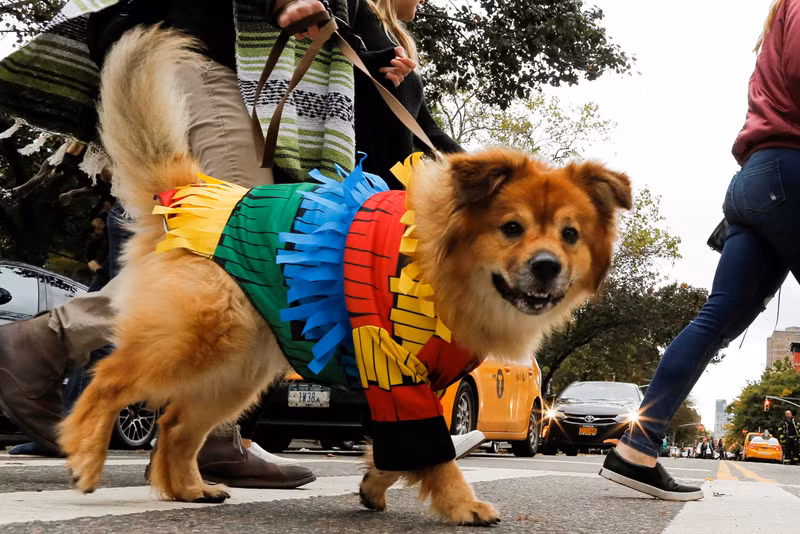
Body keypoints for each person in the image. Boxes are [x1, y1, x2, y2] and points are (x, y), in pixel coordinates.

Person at [0, 0, 469, 471]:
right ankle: (46, 341)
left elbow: (426, 135)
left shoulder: (362, 20)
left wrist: (504, 188)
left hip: (229, 73)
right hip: (206, 52)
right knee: (237, 247)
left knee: (246, 256)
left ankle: (206, 439)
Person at [599, 0, 800, 500]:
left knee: (716, 318)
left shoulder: (780, 15)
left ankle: (636, 448)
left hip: (756, 179)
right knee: (715, 319)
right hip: (789, 172)